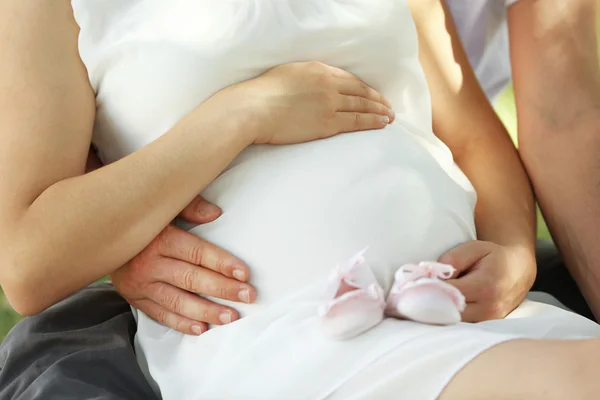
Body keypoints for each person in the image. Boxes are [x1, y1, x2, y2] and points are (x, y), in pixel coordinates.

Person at [0, 1, 599, 400]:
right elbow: (29, 261)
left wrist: (514, 251)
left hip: (457, 313)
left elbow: (471, 134)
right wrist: (240, 115)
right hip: (287, 334)